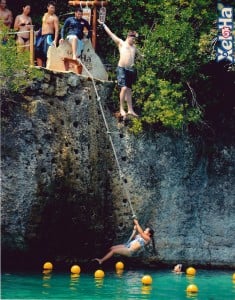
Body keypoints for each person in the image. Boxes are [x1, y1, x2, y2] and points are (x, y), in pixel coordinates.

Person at [98, 19, 142, 118]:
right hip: (122, 68)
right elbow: (111, 34)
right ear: (129, 37)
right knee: (124, 88)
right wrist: (104, 25)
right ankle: (122, 108)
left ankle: (130, 110)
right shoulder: (121, 43)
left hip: (130, 70)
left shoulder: (134, 47)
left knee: (129, 90)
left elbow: (140, 56)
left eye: (135, 39)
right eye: (133, 38)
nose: (134, 40)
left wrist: (143, 57)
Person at [35, 1, 59, 67]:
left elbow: (57, 30)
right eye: (51, 8)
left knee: (47, 53)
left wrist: (55, 40)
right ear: (48, 7)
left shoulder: (55, 18)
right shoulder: (45, 15)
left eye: (54, 8)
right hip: (41, 36)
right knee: (37, 51)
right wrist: (38, 32)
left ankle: (47, 69)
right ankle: (40, 68)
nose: (53, 9)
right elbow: (43, 25)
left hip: (49, 36)